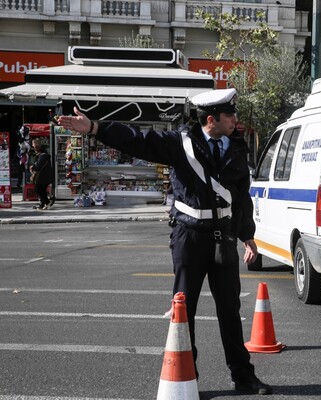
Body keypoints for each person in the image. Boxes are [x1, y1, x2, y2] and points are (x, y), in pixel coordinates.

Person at [57, 88, 273, 395]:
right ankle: (188, 376)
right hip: (190, 235)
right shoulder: (180, 144)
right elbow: (138, 139)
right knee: (185, 309)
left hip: (222, 236)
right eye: (230, 115)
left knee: (230, 308)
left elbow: (240, 197)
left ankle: (243, 376)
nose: (236, 120)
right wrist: (95, 128)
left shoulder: (235, 146)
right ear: (211, 119)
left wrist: (248, 237)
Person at [29, 138, 53, 210]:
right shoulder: (43, 154)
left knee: (38, 189)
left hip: (43, 177)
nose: (33, 147)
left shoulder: (42, 155)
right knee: (41, 190)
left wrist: (33, 167)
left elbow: (39, 166)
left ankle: (47, 202)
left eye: (33, 145)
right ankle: (42, 204)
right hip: (45, 177)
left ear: (37, 146)